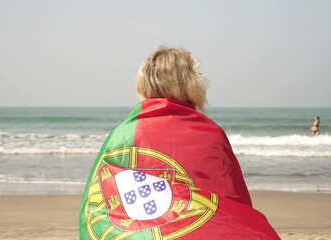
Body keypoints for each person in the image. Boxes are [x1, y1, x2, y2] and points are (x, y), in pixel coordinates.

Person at [79, 47, 280, 239]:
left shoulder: (122, 135)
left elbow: (99, 200)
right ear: (190, 84)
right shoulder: (210, 134)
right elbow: (232, 202)